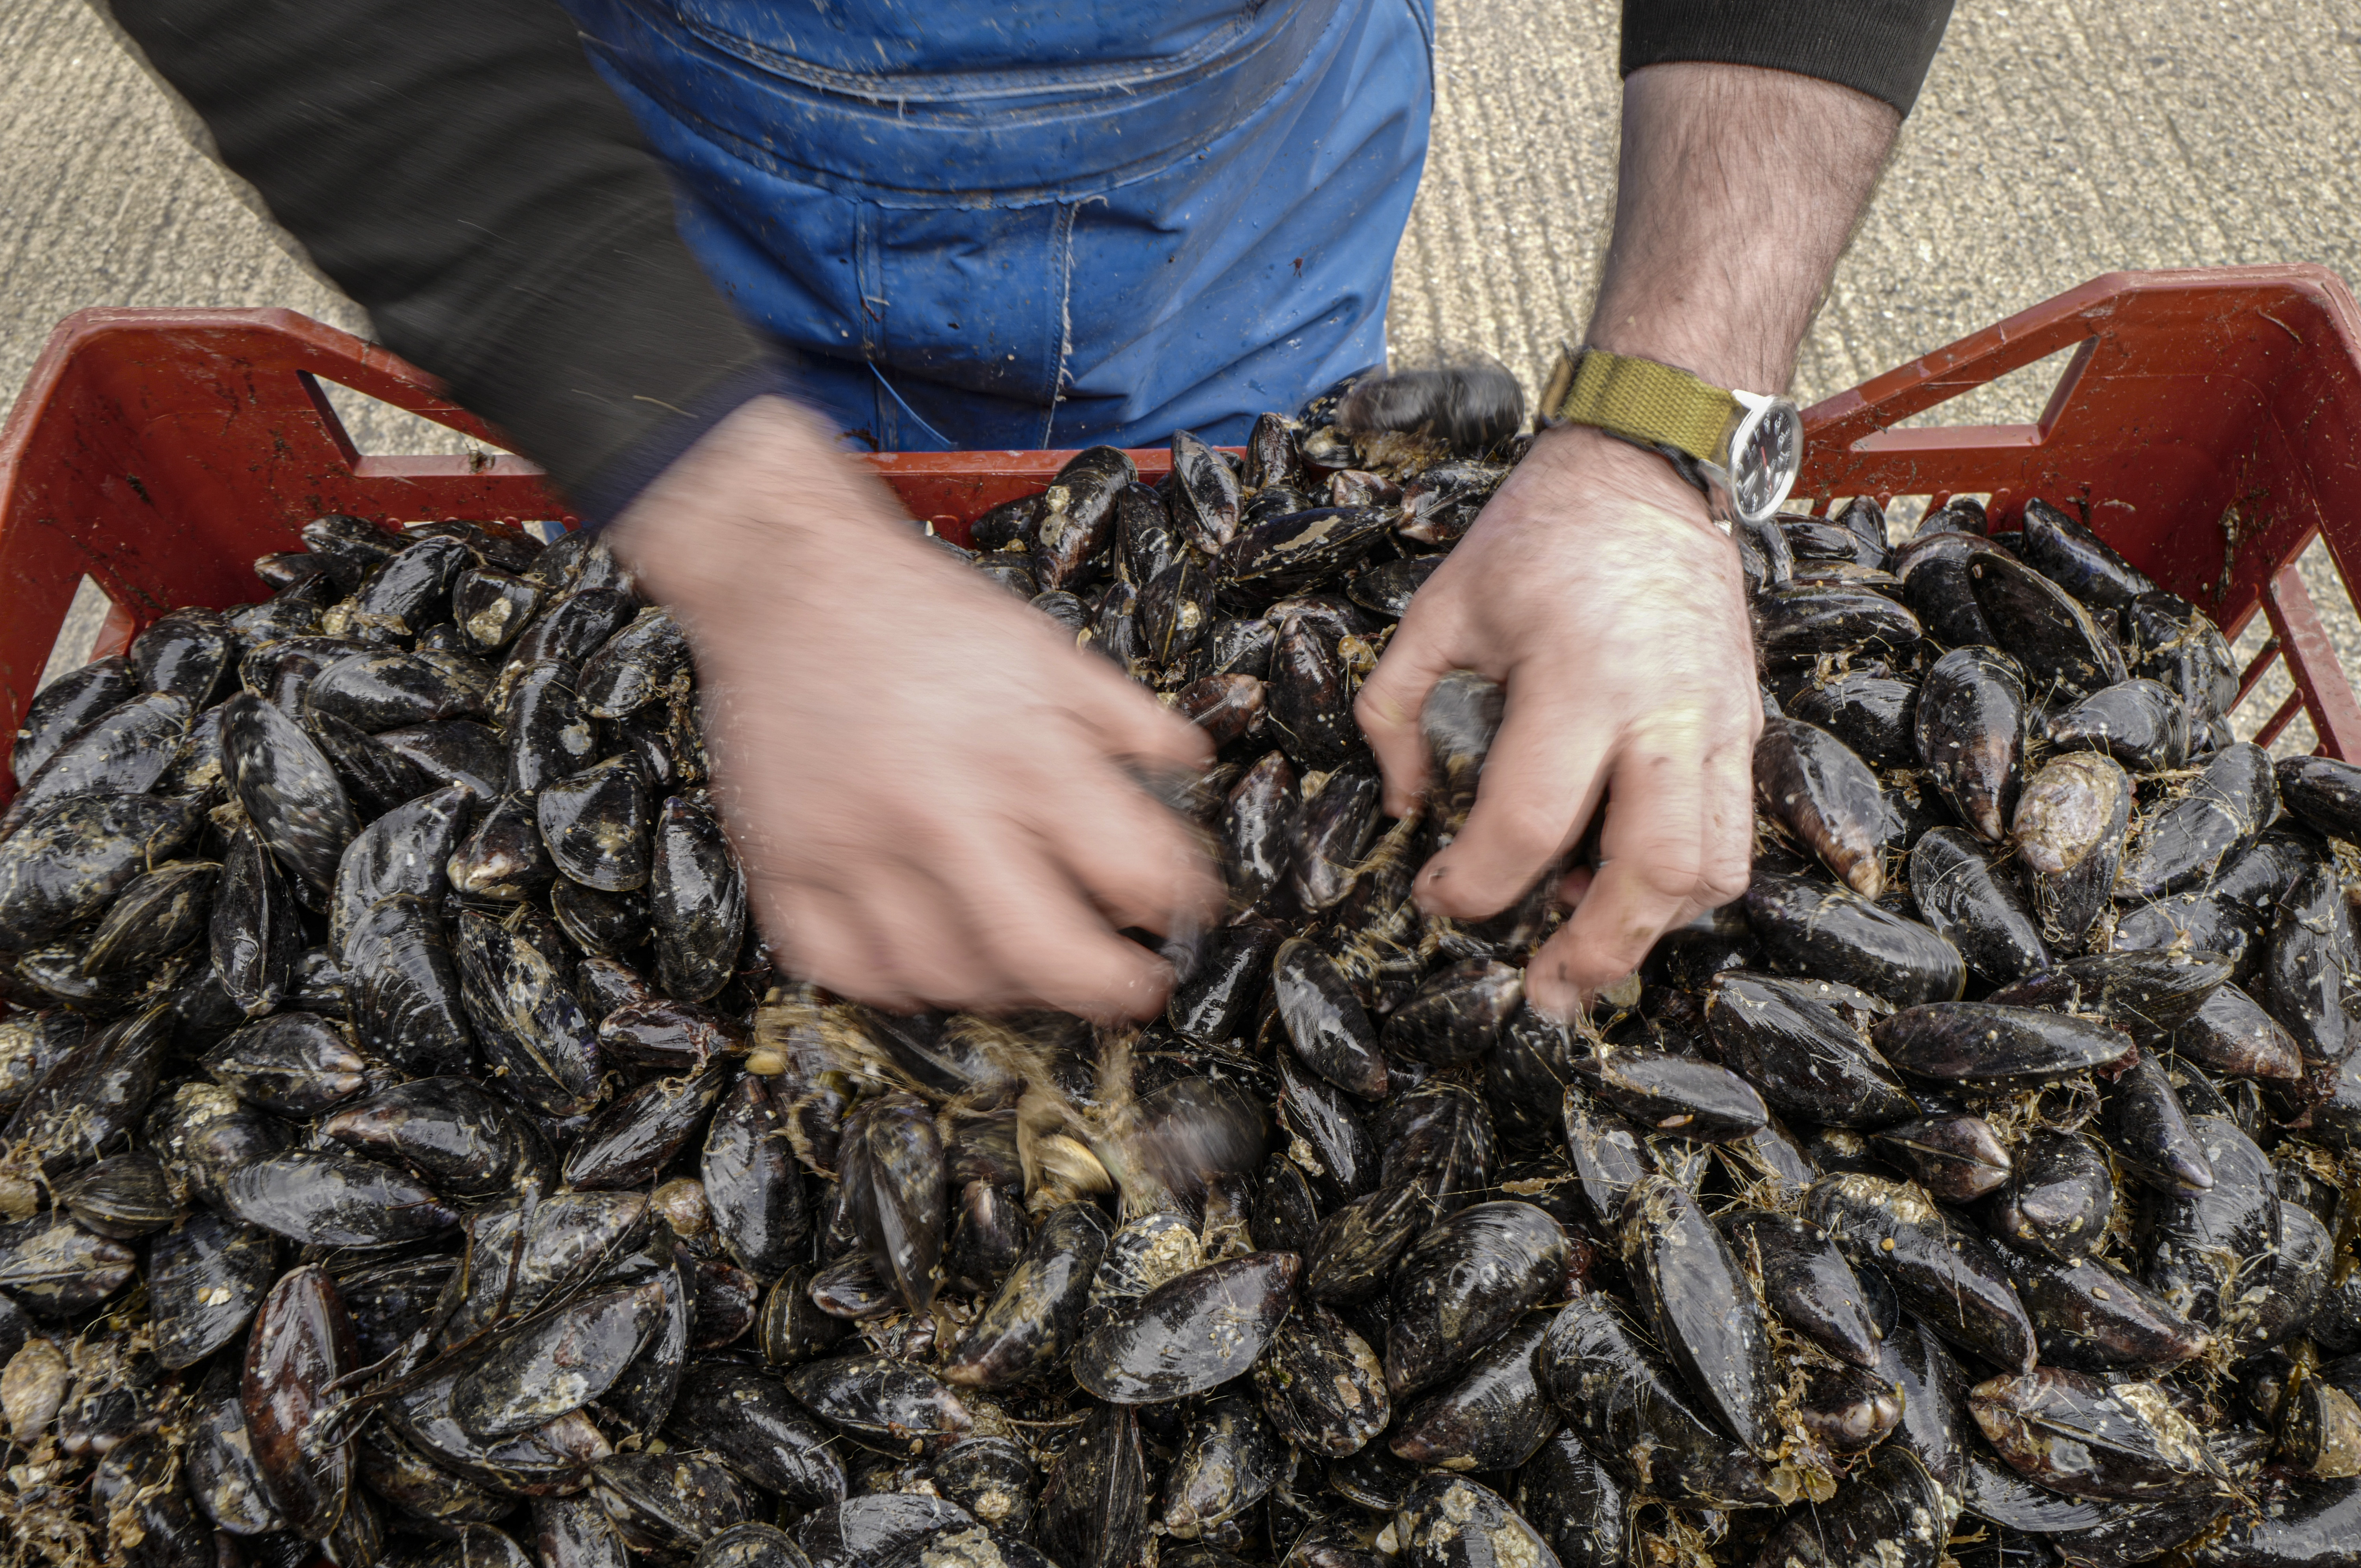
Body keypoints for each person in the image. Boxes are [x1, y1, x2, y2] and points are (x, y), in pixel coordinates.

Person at [104, 0, 1953, 1024]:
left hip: (1242, 151)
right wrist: (759, 551)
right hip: (655, 181)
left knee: (1252, 542)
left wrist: (1660, 428)